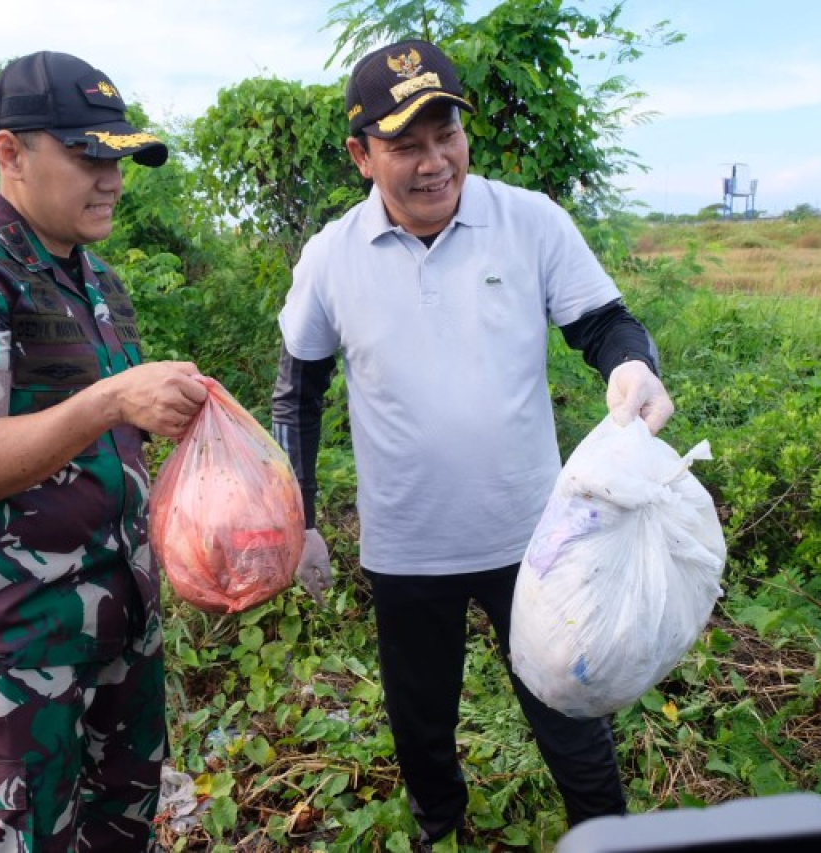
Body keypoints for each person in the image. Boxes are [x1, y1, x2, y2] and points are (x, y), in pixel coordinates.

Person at [270, 40, 675, 848]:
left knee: (566, 702)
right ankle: (438, 825)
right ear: (361, 155)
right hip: (406, 544)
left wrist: (634, 367)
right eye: (406, 145)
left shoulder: (528, 222)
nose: (434, 163)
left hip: (535, 536)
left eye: (446, 134)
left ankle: (604, 834)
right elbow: (299, 390)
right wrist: (300, 514)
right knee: (420, 716)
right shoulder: (331, 258)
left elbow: (604, 325)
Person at [0, 50, 207, 851]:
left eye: (120, 158)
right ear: (10, 153)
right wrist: (110, 399)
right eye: (88, 154)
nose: (112, 178)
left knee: (121, 829)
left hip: (120, 625)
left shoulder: (98, 283)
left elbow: (109, 445)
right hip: (12, 641)